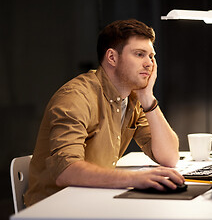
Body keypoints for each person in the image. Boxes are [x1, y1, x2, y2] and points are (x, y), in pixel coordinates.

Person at [24, 19, 184, 207]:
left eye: (151, 56)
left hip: (93, 200)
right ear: (112, 58)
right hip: (54, 208)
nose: (149, 64)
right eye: (140, 54)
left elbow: (169, 157)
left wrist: (148, 98)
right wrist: (133, 179)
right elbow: (65, 171)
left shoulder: (133, 98)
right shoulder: (76, 97)